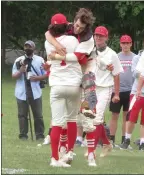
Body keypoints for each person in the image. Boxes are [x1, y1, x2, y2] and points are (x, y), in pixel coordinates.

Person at [44, 8, 96, 146]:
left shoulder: (88, 38)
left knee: (88, 109)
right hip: (75, 68)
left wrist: (55, 56)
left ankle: (90, 109)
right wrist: (57, 44)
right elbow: (47, 33)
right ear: (74, 21)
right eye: (76, 25)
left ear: (86, 27)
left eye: (81, 27)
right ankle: (64, 148)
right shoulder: (69, 27)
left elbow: (77, 57)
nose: (77, 29)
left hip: (88, 65)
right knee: (69, 117)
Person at [45, 13, 82, 167]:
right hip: (73, 83)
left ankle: (54, 158)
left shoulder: (48, 43)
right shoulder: (73, 40)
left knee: (57, 123)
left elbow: (49, 35)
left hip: (57, 84)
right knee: (72, 120)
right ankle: (68, 152)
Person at [92, 26, 123, 157]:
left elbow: (116, 74)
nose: (98, 37)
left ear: (106, 38)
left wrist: (116, 94)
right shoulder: (90, 50)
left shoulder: (112, 54)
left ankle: (91, 149)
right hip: (91, 87)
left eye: (101, 35)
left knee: (97, 118)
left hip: (105, 87)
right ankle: (107, 143)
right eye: (96, 35)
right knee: (90, 118)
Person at [12, 40, 47, 140]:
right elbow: (14, 75)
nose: (28, 49)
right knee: (22, 115)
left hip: (35, 91)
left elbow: (46, 73)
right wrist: (20, 71)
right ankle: (23, 135)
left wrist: (38, 78)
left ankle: (39, 135)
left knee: (38, 115)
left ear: (34, 48)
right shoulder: (18, 60)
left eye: (30, 47)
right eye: (26, 46)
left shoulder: (40, 60)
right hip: (21, 92)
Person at [121, 37, 144, 150]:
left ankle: (143, 142)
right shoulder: (137, 58)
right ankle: (127, 140)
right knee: (132, 117)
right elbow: (135, 73)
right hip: (136, 91)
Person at [109, 34, 136, 145]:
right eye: (123, 43)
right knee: (114, 115)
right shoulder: (116, 56)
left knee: (126, 116)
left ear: (131, 44)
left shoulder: (135, 57)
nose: (125, 45)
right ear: (120, 44)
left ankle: (124, 140)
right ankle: (111, 139)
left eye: (127, 43)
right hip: (117, 90)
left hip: (130, 90)